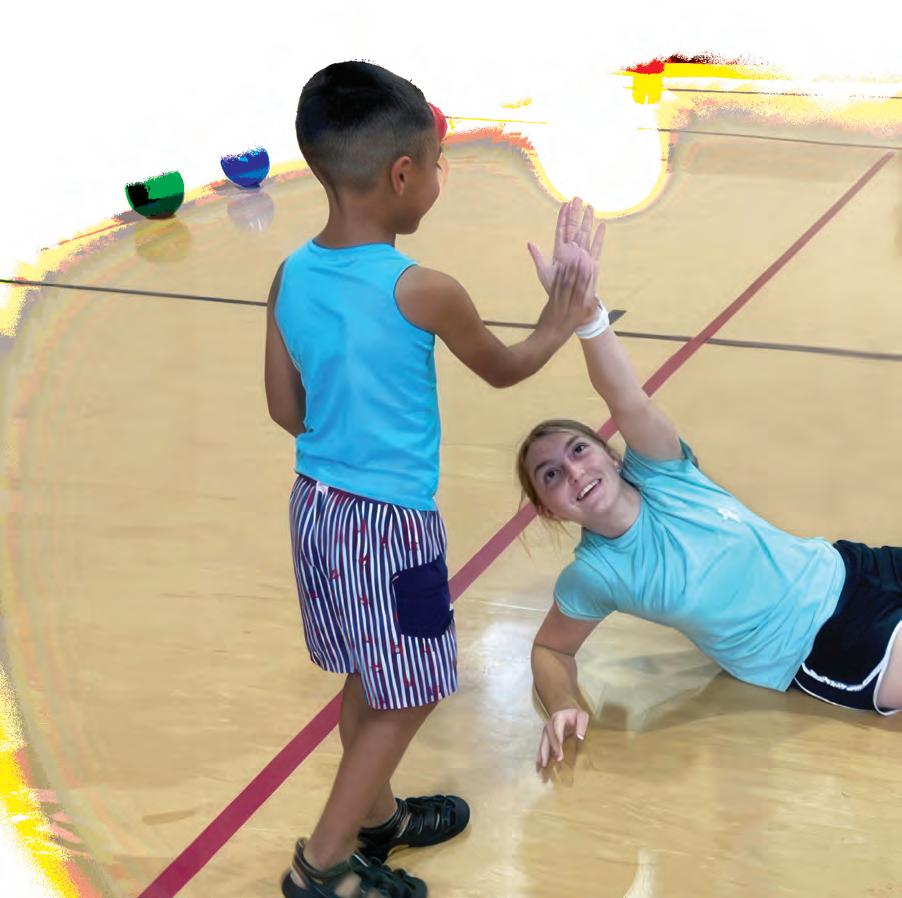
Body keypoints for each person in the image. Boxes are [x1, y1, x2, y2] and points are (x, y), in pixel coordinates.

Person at [264, 61, 598, 897]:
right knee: (407, 692)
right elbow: (505, 368)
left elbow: (285, 408)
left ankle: (376, 817)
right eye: (440, 162)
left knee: (369, 673)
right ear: (403, 175)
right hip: (390, 526)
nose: (442, 175)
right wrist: (559, 319)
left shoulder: (289, 274)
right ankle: (322, 866)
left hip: (316, 509)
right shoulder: (424, 290)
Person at [517, 199, 902, 771]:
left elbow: (624, 397)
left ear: (611, 455)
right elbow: (550, 648)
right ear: (549, 509)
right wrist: (563, 704)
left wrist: (588, 316)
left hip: (849, 568)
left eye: (579, 450)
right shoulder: (595, 574)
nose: (573, 471)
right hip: (821, 644)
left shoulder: (663, 470)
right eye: (551, 475)